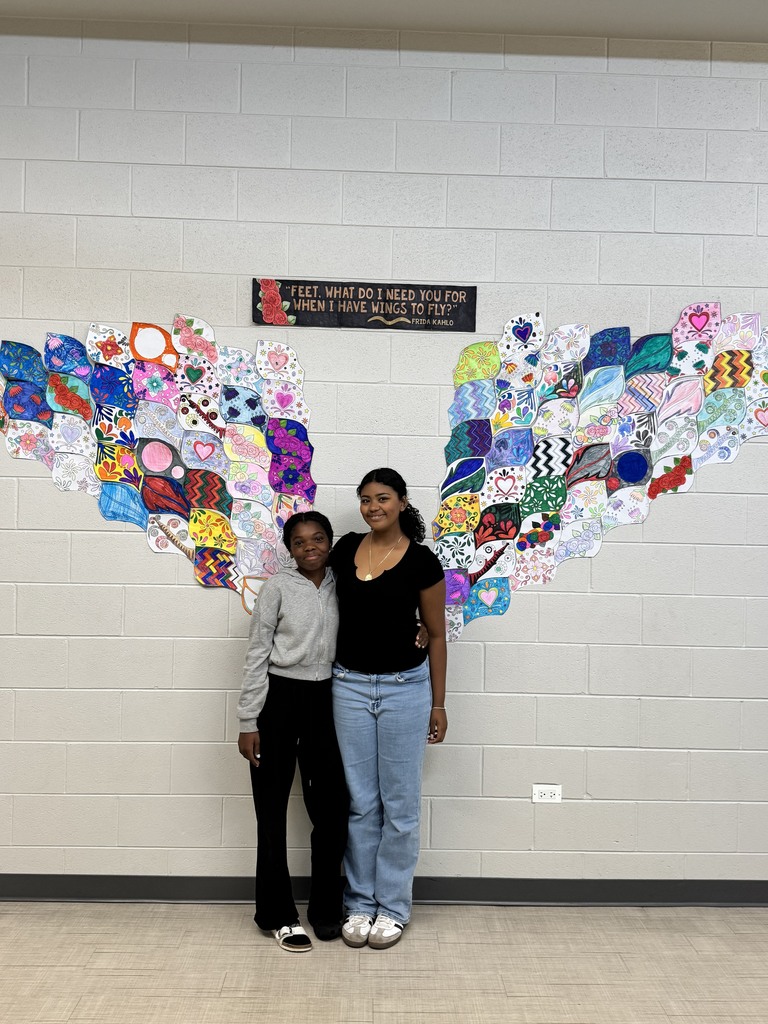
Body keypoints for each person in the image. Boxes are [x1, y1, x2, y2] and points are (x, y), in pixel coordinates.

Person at [330, 467, 448, 950]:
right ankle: (358, 903)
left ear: (401, 502)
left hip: (405, 688)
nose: (372, 506)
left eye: (382, 498)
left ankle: (393, 908)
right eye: (364, 499)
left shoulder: (423, 561)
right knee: (361, 803)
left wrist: (438, 703)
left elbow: (436, 634)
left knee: (399, 805)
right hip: (348, 687)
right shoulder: (343, 550)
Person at [237, 511, 349, 952]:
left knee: (332, 810)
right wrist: (248, 720)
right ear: (289, 549)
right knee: (272, 811)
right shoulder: (277, 588)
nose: (310, 548)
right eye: (299, 543)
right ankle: (278, 914)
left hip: (328, 701)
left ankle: (326, 909)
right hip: (278, 702)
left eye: (318, 539)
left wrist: (417, 629)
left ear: (330, 541)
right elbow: (256, 653)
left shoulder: (346, 583)